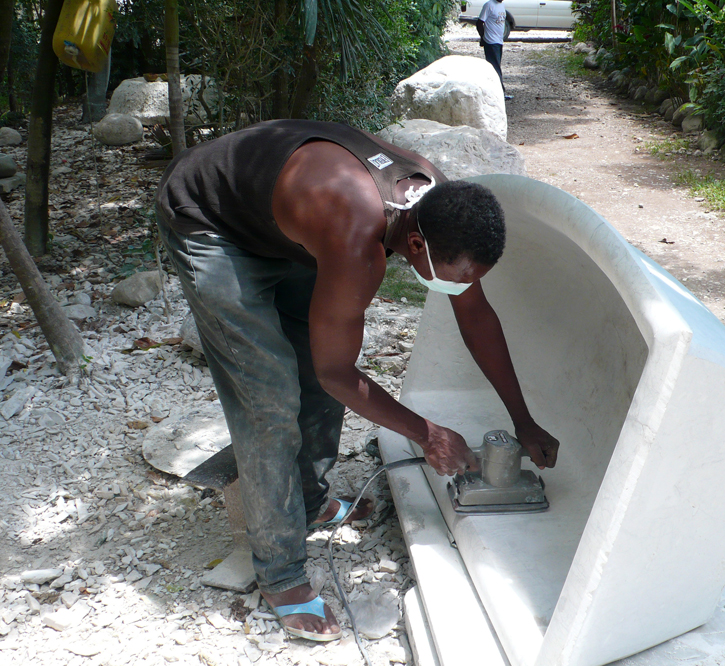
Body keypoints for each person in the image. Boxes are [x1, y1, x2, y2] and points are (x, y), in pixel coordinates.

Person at [155, 120, 558, 642]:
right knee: (269, 398)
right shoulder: (354, 242)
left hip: (288, 220)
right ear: (414, 244)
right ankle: (281, 575)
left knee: (315, 352)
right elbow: (337, 374)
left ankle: (309, 500)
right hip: (211, 218)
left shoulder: (437, 206)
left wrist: (522, 420)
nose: (462, 289)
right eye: (457, 277)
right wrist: (427, 433)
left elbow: (476, 317)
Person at [477, 0, 512, 100]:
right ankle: (500, 93)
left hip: (499, 41)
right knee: (495, 67)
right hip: (491, 41)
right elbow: (479, 23)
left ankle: (492, 91)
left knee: (495, 66)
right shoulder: (489, 5)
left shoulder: (501, 5)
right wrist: (483, 37)